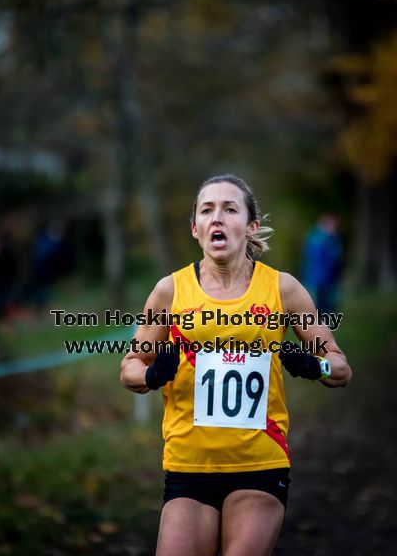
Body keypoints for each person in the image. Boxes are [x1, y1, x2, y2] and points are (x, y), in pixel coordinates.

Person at [120, 174, 352, 556]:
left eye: (230, 209)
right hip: (188, 468)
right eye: (207, 210)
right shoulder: (170, 290)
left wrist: (316, 367)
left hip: (260, 464)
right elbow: (129, 366)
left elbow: (340, 367)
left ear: (251, 225)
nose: (217, 218)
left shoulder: (283, 289)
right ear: (195, 228)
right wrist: (150, 374)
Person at [301, 214, 343, 316]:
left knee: (323, 304)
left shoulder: (316, 238)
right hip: (320, 278)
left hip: (322, 278)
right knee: (323, 304)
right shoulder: (323, 240)